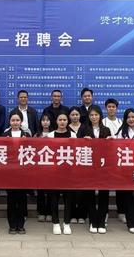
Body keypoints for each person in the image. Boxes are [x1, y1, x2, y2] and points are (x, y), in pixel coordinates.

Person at [77, 106, 113, 234]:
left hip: (103, 166)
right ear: (88, 116)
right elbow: (76, 146)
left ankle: (101, 221)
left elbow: (110, 150)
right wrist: (83, 141)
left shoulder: (106, 129)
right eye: (91, 115)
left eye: (96, 115)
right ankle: (93, 221)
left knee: (104, 194)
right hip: (88, 166)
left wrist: (110, 142)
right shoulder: (83, 129)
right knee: (90, 194)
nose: (94, 117)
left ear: (100, 116)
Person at [3, 110, 31, 234]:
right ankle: (12, 224)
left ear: (21, 121)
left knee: (22, 199)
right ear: (9, 121)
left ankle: (21, 224)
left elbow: (31, 152)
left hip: (22, 172)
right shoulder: (5, 134)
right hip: (9, 172)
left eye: (17, 120)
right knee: (11, 199)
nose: (15, 122)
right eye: (13, 120)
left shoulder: (26, 134)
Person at [47, 112, 75, 235]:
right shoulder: (50, 135)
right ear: (56, 121)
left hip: (68, 171)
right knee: (54, 198)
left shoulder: (73, 135)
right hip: (54, 172)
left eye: (64, 119)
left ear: (67, 121)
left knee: (68, 199)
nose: (62, 122)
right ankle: (56, 223)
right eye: (60, 119)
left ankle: (67, 223)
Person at [103, 98, 125, 222]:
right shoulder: (102, 122)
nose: (111, 109)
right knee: (105, 186)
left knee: (120, 185)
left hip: (119, 157)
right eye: (109, 107)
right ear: (106, 108)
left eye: (113, 107)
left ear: (117, 108)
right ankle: (104, 212)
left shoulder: (121, 122)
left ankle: (121, 212)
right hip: (106, 158)